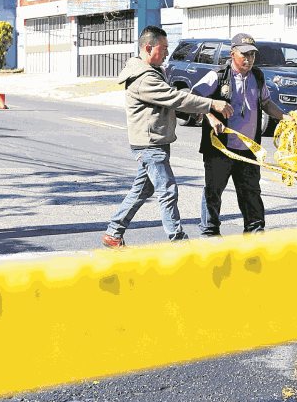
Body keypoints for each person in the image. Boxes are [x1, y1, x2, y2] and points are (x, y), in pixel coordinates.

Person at [103, 25, 234, 248]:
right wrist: (212, 104)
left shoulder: (153, 71)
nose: (167, 52)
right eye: (163, 48)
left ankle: (114, 232)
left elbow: (174, 103)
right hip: (149, 145)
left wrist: (207, 114)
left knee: (143, 189)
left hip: (155, 141)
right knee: (167, 190)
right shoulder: (144, 78)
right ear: (148, 47)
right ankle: (178, 240)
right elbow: (176, 99)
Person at [192, 33, 285, 236]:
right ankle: (210, 231)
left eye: (252, 55)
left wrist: (285, 118)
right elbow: (194, 99)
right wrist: (211, 116)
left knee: (251, 193)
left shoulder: (258, 77)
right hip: (220, 148)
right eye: (244, 54)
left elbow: (267, 103)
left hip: (248, 150)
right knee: (213, 191)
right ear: (232, 53)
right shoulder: (217, 76)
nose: (248, 59)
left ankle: (254, 232)